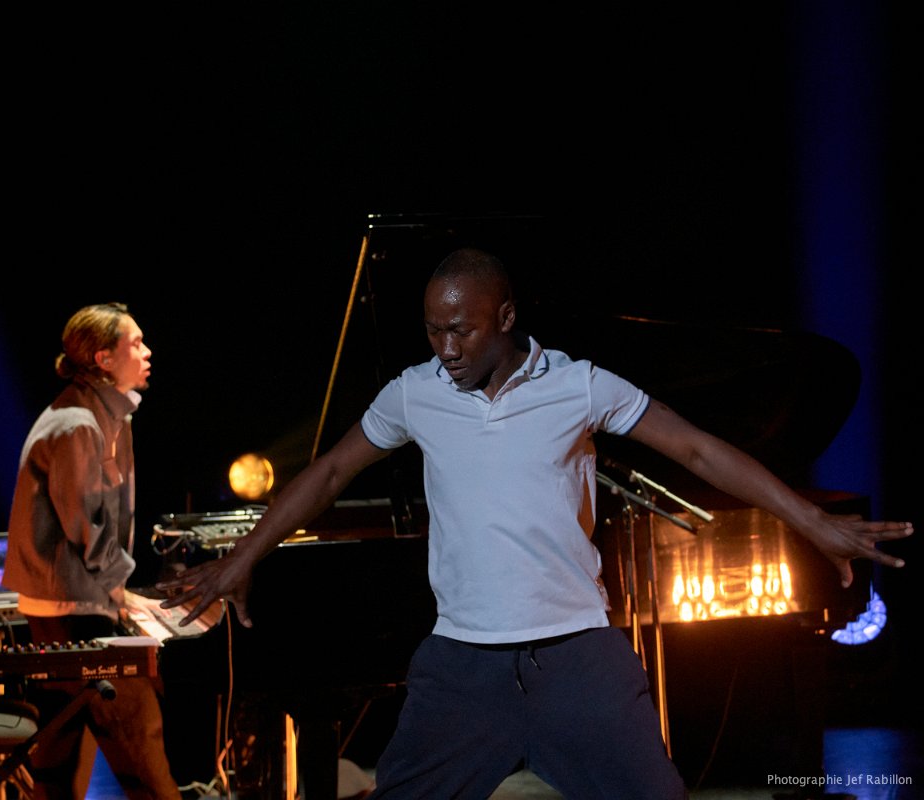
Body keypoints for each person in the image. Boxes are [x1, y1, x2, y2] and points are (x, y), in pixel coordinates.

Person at [155, 248, 913, 800]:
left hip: (577, 659)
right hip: (461, 668)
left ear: (507, 318)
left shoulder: (580, 386)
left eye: (461, 331)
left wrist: (810, 519)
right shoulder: (415, 393)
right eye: (433, 331)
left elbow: (696, 448)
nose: (446, 349)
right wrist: (243, 557)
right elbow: (327, 473)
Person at [3, 302, 182, 800]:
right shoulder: (78, 424)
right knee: (140, 745)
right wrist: (124, 596)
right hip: (72, 609)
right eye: (136, 344)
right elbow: (87, 525)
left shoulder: (103, 414)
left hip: (72, 603)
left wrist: (120, 591)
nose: (147, 352)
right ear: (103, 359)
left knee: (61, 755)